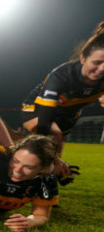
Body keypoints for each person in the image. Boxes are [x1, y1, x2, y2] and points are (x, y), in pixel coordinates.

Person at [21, 21, 104, 177]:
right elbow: (45, 124)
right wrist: (56, 160)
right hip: (37, 109)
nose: (102, 69)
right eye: (97, 63)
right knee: (54, 136)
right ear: (83, 58)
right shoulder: (60, 76)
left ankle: (49, 177)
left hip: (68, 113)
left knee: (59, 143)